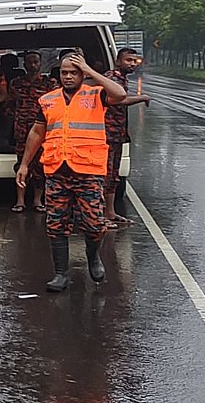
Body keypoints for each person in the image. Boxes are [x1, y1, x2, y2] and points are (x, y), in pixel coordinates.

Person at [17, 50, 127, 291]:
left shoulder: (97, 94)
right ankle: (60, 274)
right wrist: (25, 164)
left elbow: (120, 94)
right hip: (57, 170)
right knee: (55, 224)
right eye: (65, 72)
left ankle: (93, 257)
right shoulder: (48, 100)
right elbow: (37, 132)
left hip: (88, 172)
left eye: (74, 73)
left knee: (94, 224)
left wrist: (90, 71)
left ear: (81, 74)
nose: (68, 77)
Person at [104, 48, 150, 227]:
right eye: (128, 60)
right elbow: (116, 100)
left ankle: (110, 213)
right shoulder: (112, 78)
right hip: (107, 134)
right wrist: (141, 97)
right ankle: (101, 215)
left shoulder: (121, 78)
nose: (131, 63)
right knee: (106, 175)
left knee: (114, 175)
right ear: (118, 61)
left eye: (134, 60)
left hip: (117, 134)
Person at [8, 51, 57, 213]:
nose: (33, 65)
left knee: (41, 166)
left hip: (43, 130)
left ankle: (37, 200)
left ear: (41, 63)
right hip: (22, 130)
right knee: (22, 164)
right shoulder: (16, 83)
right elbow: (10, 104)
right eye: (29, 62)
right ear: (25, 64)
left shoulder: (49, 83)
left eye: (36, 61)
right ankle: (20, 201)